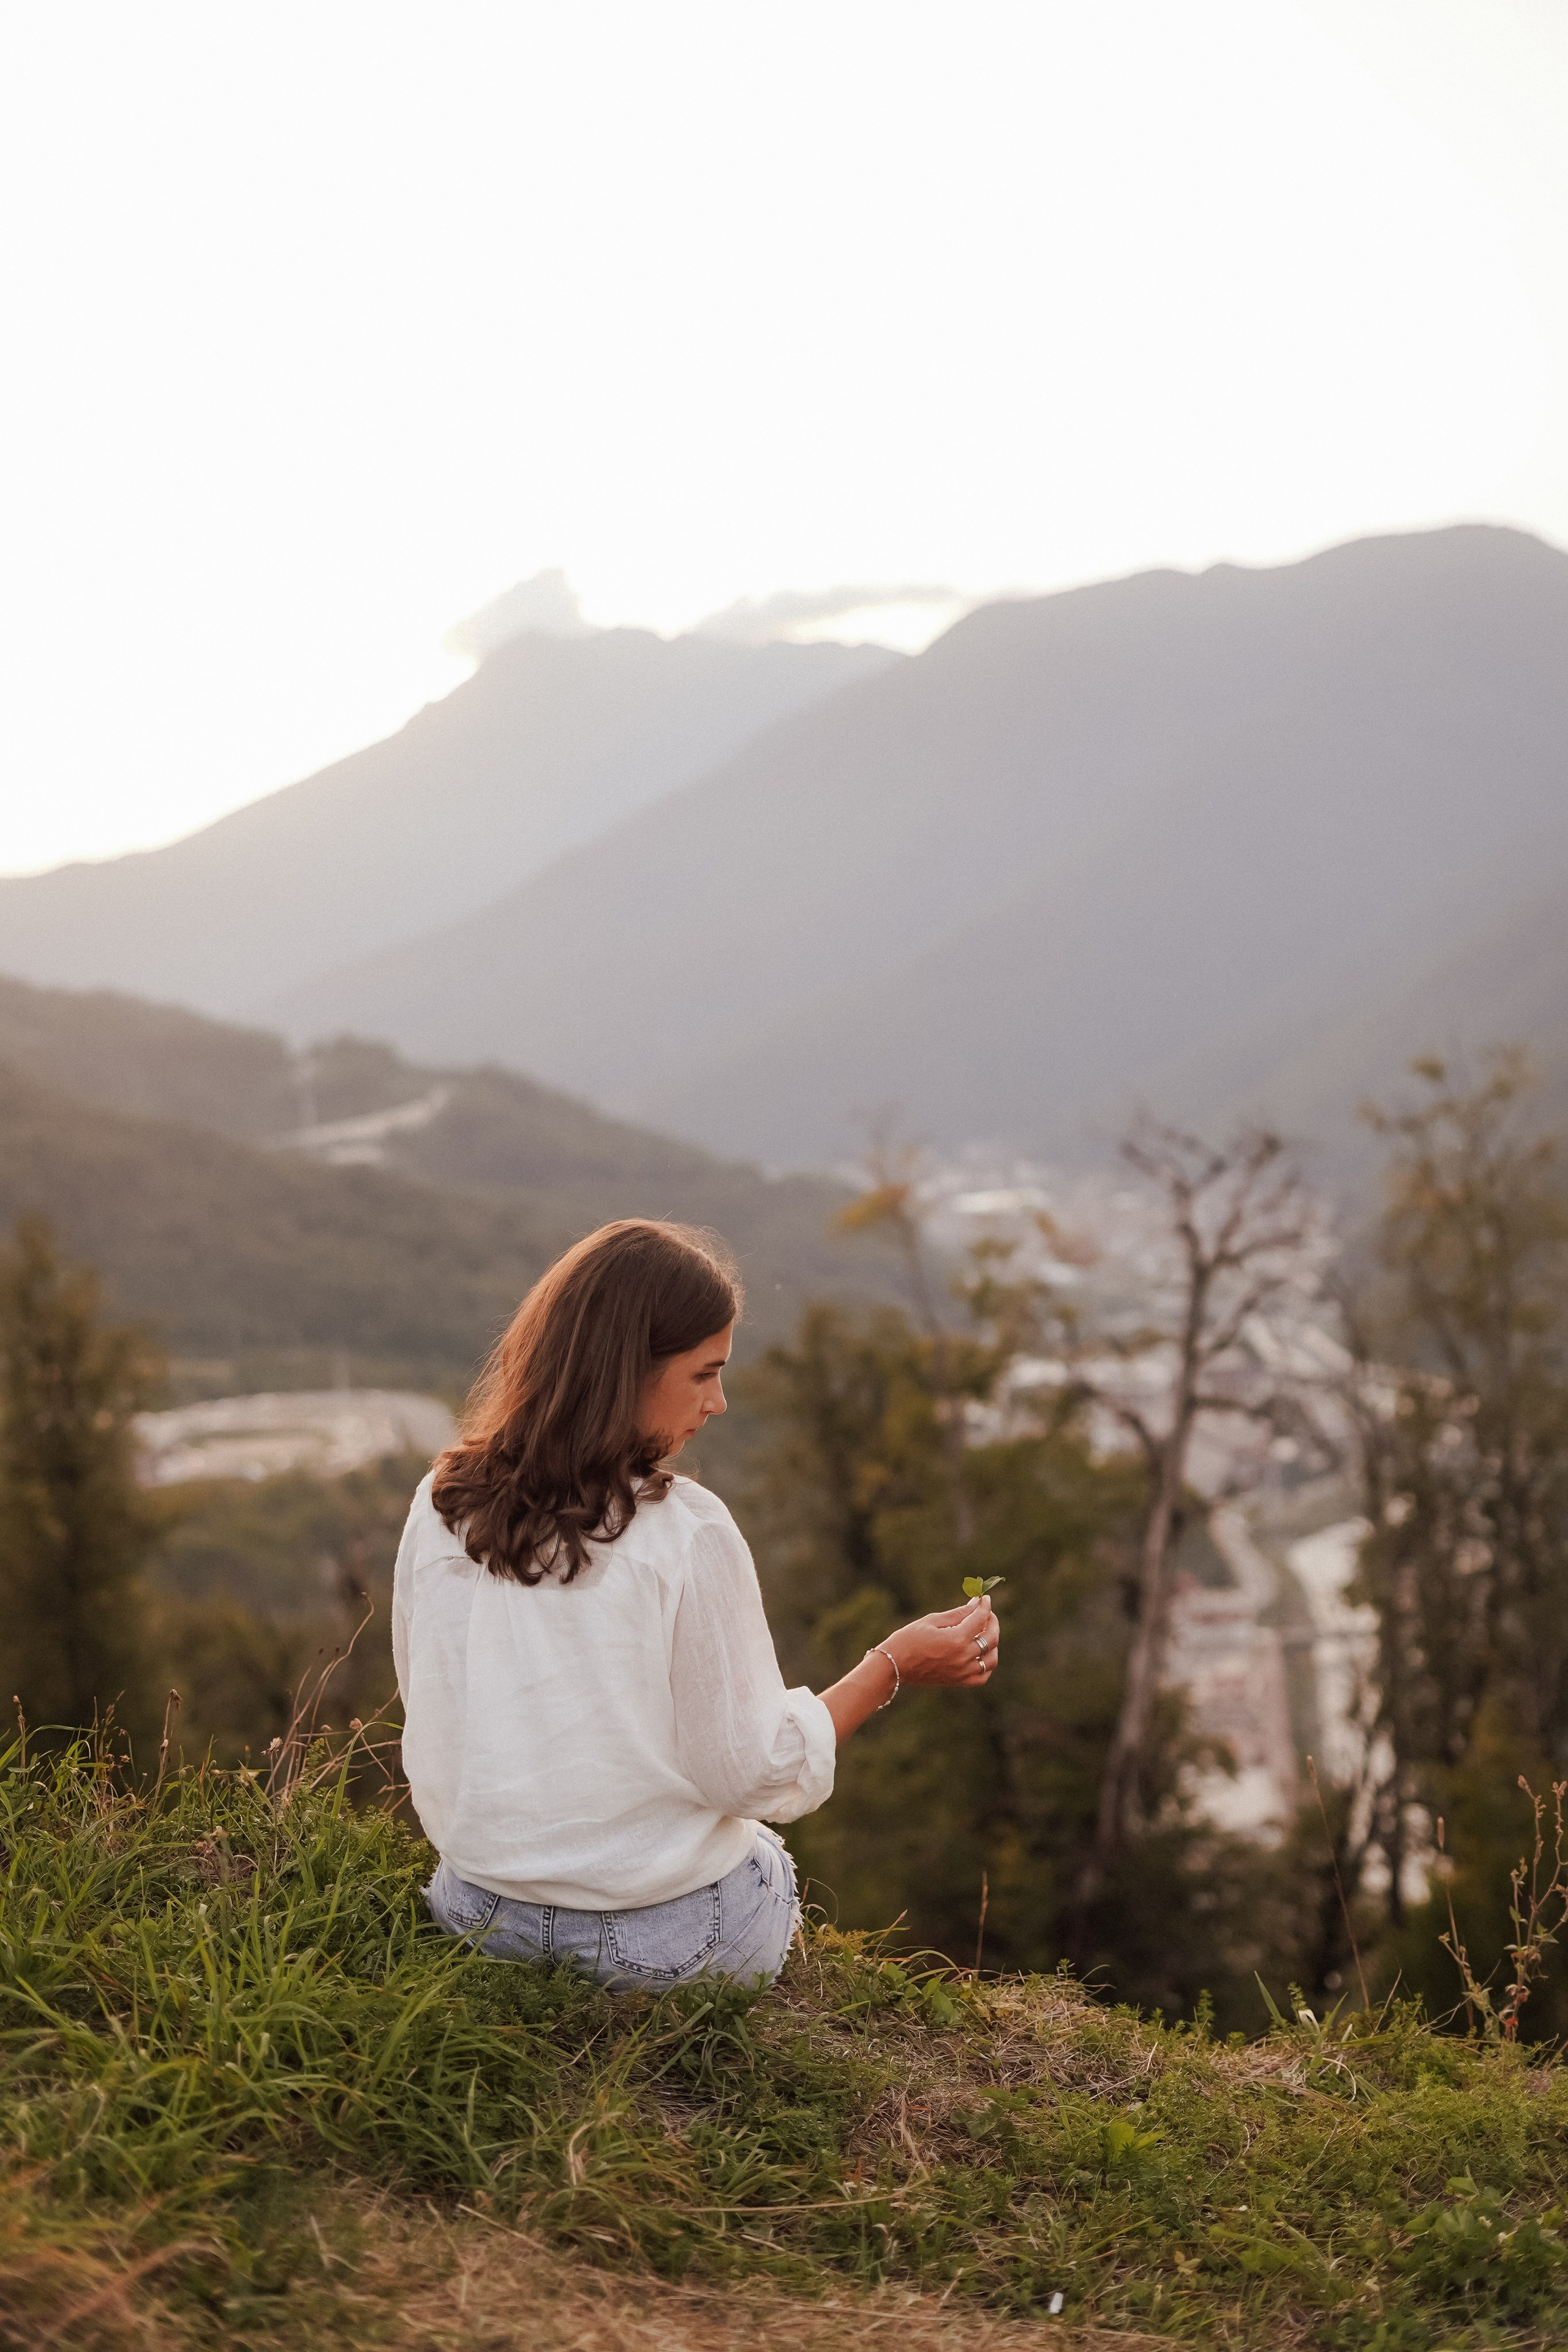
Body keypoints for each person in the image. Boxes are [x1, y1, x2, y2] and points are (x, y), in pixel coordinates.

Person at [393, 1218, 1000, 1992]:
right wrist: (889, 1667)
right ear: (626, 1373)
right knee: (763, 1860)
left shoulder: (442, 1502)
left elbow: (432, 1699)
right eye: (704, 1373)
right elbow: (751, 1776)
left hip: (477, 1915)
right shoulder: (685, 1533)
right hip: (655, 1948)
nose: (717, 1403)